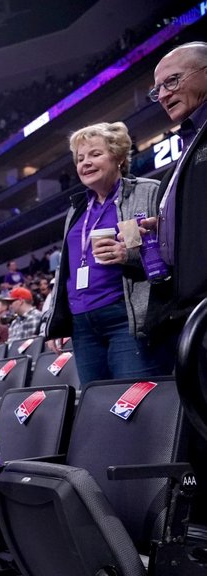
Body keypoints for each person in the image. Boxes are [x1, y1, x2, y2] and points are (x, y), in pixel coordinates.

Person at [43, 121, 166, 383]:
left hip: (127, 319)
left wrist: (127, 255)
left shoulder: (148, 192)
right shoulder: (76, 210)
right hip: (82, 326)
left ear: (119, 158)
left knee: (133, 404)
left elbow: (172, 253)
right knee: (97, 405)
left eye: (95, 154)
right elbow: (64, 270)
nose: (85, 163)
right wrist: (54, 320)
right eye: (80, 158)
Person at [143, 42, 207, 355]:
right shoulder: (187, 146)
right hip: (187, 308)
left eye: (173, 81)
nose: (164, 95)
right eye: (158, 90)